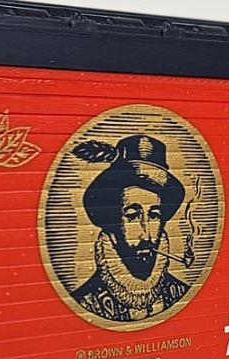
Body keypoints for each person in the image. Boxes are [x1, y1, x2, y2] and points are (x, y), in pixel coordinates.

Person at [69, 133, 194, 322]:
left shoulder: (179, 293)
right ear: (111, 222)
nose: (146, 234)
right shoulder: (87, 302)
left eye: (154, 215)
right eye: (133, 216)